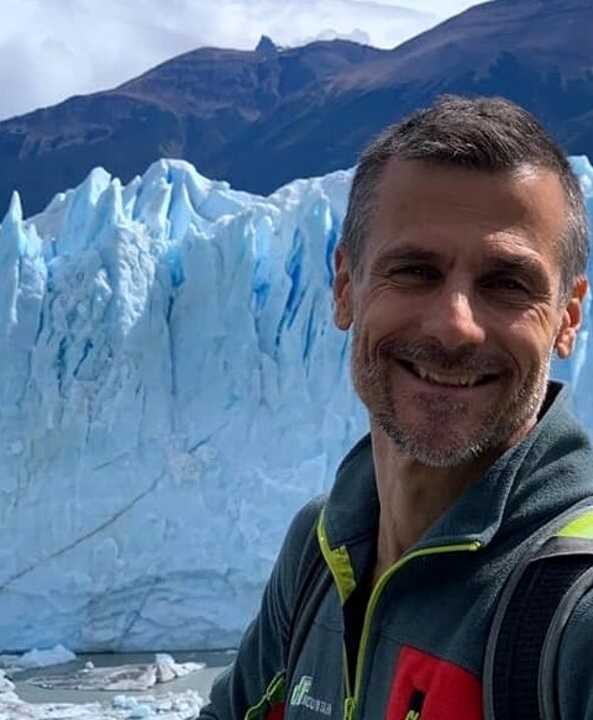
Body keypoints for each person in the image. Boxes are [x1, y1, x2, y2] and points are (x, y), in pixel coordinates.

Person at [199, 95, 593, 719]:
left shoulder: (577, 608)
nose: (454, 326)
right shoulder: (321, 554)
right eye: (415, 271)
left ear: (567, 318)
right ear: (345, 286)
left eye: (507, 283)